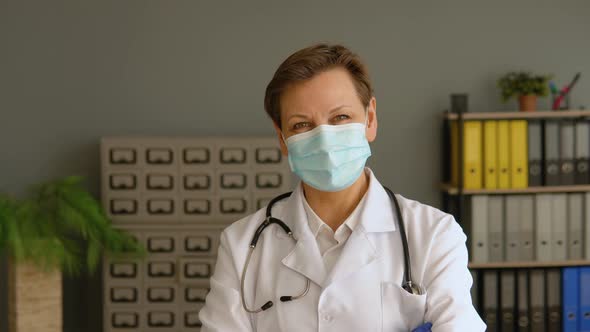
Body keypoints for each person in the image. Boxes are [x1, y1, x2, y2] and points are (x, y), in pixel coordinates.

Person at [198, 43, 486, 331]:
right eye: (301, 125)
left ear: (370, 118)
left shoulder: (434, 234)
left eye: (340, 118)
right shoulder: (242, 245)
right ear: (281, 137)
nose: (324, 140)